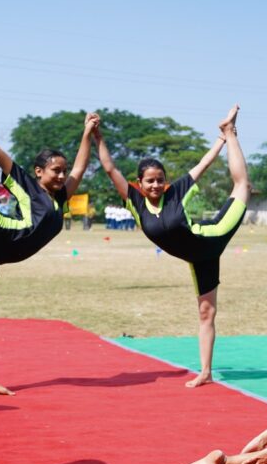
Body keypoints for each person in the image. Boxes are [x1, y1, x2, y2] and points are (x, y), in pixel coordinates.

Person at [0, 74, 96, 396]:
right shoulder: (28, 183)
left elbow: (81, 168)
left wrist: (87, 134)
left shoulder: (62, 198)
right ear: (39, 171)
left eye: (62, 170)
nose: (61, 175)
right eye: (55, 170)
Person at [94, 104, 250, 388]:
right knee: (206, 313)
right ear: (139, 183)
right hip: (200, 259)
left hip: (214, 235)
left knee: (241, 186)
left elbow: (203, 165)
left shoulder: (175, 192)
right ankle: (206, 372)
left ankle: (232, 132)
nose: (156, 185)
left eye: (160, 180)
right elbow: (109, 167)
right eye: (150, 181)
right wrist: (97, 135)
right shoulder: (135, 201)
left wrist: (222, 139)